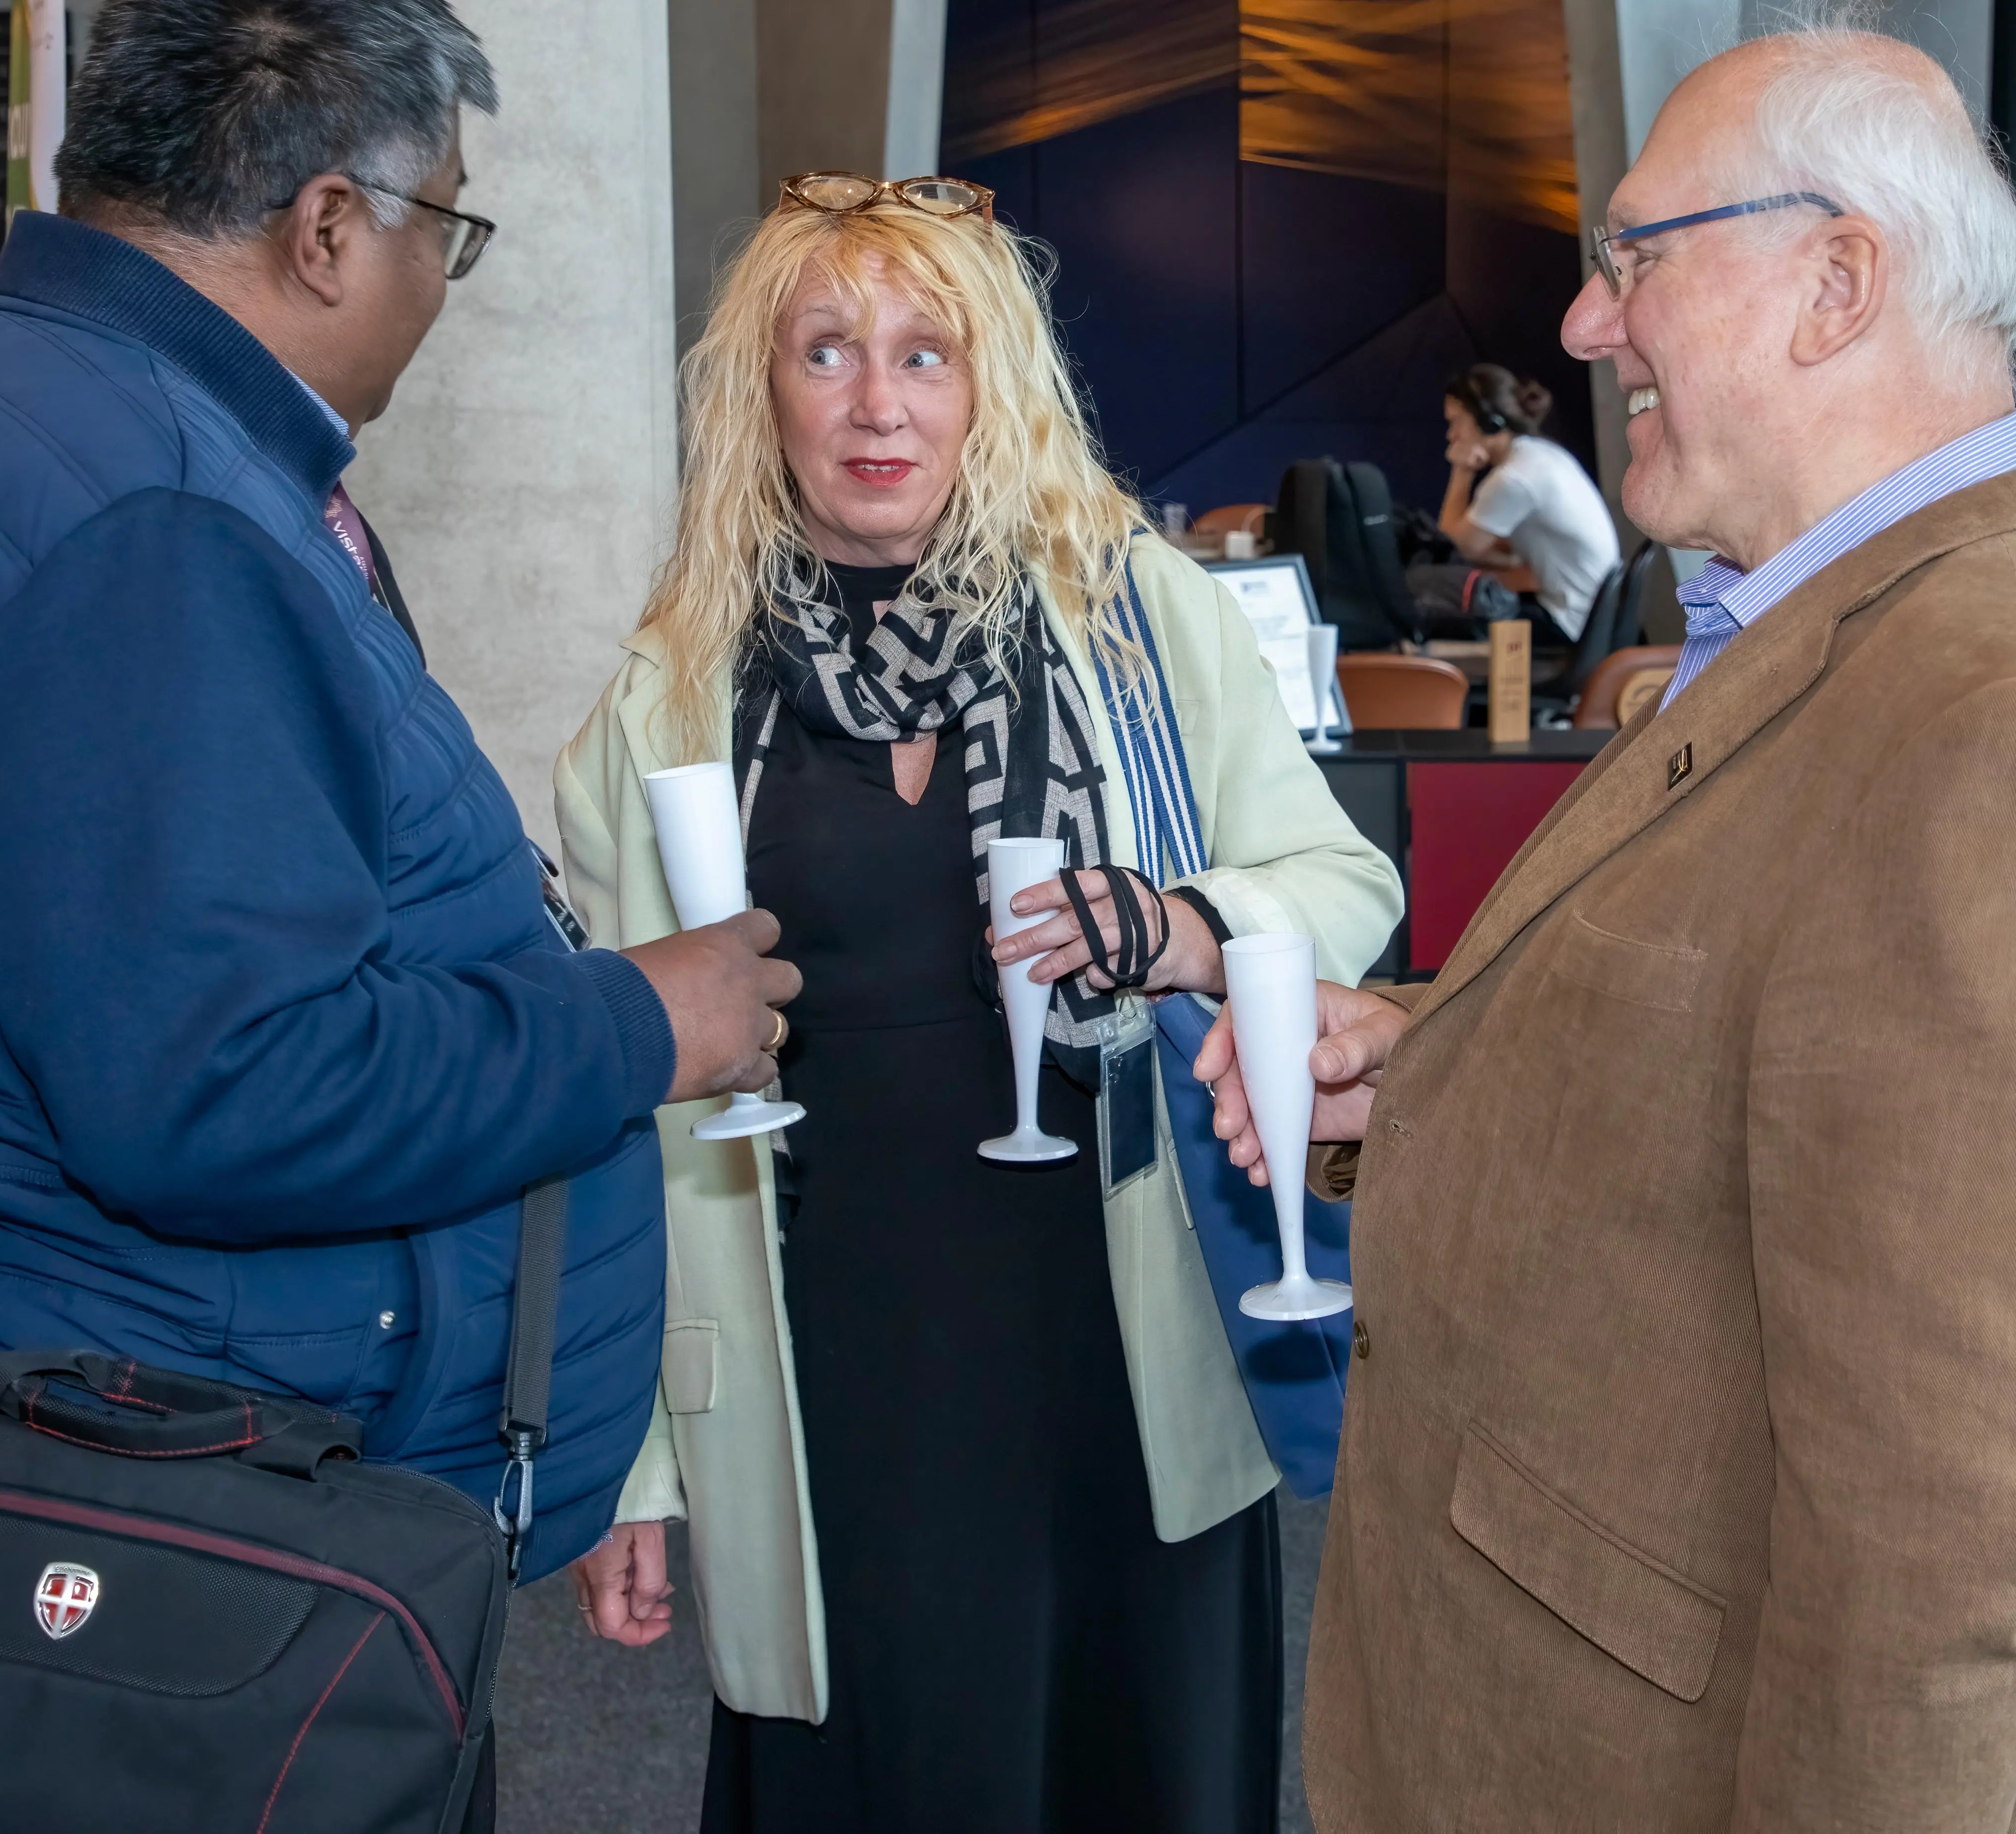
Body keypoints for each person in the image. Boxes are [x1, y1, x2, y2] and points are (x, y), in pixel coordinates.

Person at [0, 0, 800, 1727]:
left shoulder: (28, 400)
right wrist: (639, 1020)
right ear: (324, 227)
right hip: (150, 1511)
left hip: (74, 1429)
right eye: (440, 229)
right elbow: (219, 1091)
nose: (439, 285)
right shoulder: (145, 518)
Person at [1204, 10, 2016, 1831]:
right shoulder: (1809, 637)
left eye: (1635, 258)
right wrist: (1424, 1059)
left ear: (1836, 283)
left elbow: (1938, 1537)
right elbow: (1755, 1057)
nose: (1586, 324)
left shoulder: (1985, 722)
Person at [555, 171, 1402, 1834]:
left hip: (1118, 1339)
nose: (878, 402)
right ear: (763, 395)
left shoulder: (1135, 620)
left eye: (926, 355)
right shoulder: (670, 690)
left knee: (1136, 1772)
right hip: (830, 1369)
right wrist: (628, 1466)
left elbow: (1340, 878)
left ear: (994, 386)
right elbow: (607, 1118)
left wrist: (1175, 923)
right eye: (828, 352)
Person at [1433, 362, 1620, 642]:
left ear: (1488, 420)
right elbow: (1505, 551)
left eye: (1455, 422)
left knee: (1437, 616)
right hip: (1589, 619)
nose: (1451, 435)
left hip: (1568, 624)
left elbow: (1455, 547)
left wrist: (1461, 472)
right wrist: (1488, 554)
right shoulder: (1540, 455)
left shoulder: (1514, 479)